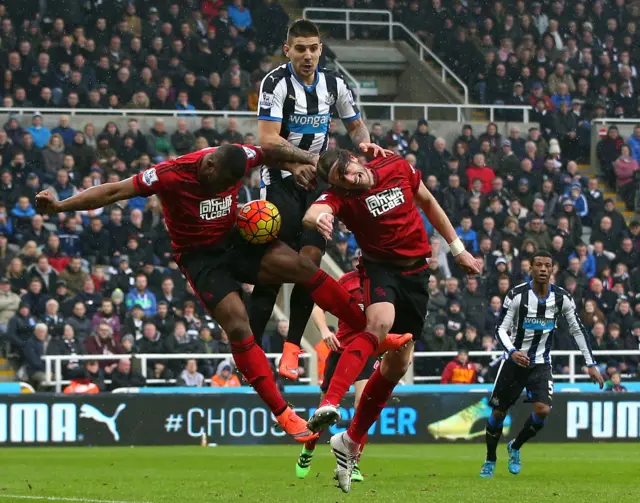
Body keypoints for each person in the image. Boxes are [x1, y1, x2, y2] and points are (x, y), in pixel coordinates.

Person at [35, 143, 369, 444]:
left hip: (236, 239)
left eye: (230, 188)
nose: (224, 191)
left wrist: (302, 162)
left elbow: (269, 150)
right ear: (209, 166)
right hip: (201, 259)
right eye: (221, 184)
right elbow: (113, 192)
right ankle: (283, 412)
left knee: (305, 268)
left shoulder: (241, 155)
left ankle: (366, 330)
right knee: (238, 326)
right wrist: (60, 206)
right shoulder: (169, 175)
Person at [302, 149, 480, 492]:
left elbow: (428, 202)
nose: (353, 181)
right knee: (378, 323)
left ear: (355, 158)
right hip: (380, 268)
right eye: (343, 181)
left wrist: (458, 250)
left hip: (417, 274)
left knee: (397, 366)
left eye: (350, 172)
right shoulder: (342, 195)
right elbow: (316, 210)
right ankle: (330, 402)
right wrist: (317, 220)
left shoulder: (395, 165)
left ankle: (350, 441)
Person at [252, 19, 389, 380]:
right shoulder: (276, 83)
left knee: (310, 264)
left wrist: (362, 141)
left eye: (313, 48)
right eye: (300, 48)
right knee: (274, 267)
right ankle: (248, 347)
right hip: (279, 179)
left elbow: (355, 123)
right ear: (288, 50)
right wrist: (304, 160)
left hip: (318, 186)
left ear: (320, 50)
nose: (308, 55)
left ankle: (292, 347)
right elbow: (267, 141)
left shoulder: (334, 83)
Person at [479, 251, 604, 479]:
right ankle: (490, 458)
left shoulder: (562, 298)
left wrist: (590, 363)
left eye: (548, 265)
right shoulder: (517, 295)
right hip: (513, 363)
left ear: (553, 269)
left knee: (543, 410)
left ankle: (515, 446)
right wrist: (513, 352)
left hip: (541, 364)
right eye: (539, 265)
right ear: (531, 268)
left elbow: (577, 329)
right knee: (498, 414)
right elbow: (500, 329)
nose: (543, 269)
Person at [295, 269, 412, 481]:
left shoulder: (383, 284)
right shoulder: (346, 281)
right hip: (341, 352)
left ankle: (353, 462)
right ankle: (308, 449)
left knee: (362, 404)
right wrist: (325, 332)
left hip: (367, 352)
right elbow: (318, 309)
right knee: (323, 412)